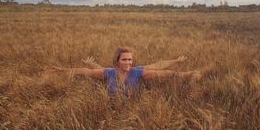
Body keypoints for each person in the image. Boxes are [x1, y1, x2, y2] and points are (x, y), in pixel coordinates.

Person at [49, 46, 201, 96]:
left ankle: (92, 63)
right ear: (117, 61)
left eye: (130, 59)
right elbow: (84, 72)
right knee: (98, 71)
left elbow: (162, 70)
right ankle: (92, 63)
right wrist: (62, 70)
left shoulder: (137, 72)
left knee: (156, 67)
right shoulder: (109, 72)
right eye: (124, 60)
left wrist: (184, 71)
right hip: (111, 108)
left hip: (132, 102)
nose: (128, 62)